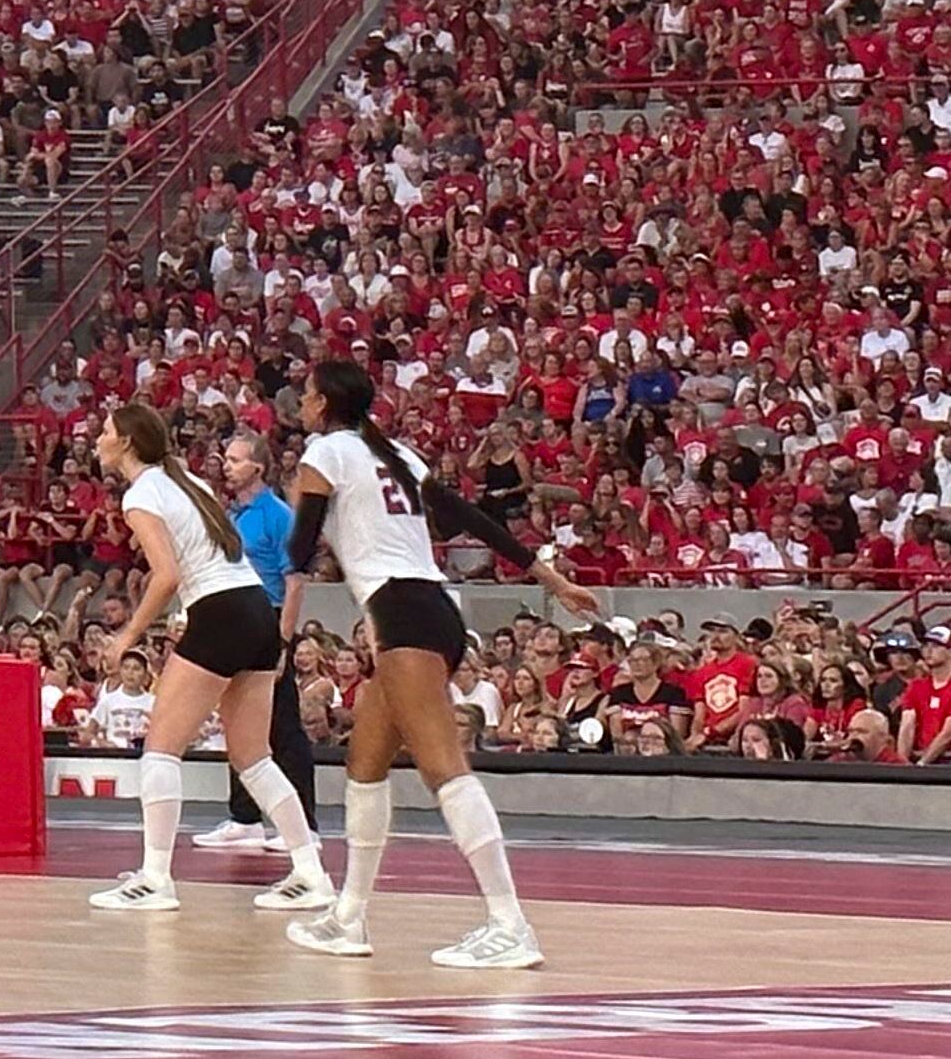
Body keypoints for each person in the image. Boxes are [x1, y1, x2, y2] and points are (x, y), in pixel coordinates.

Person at [286, 356, 599, 970]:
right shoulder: (395, 453)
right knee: (365, 763)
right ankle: (348, 916)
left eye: (305, 394)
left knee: (443, 768)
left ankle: (510, 922)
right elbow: (468, 517)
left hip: (400, 613)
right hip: (432, 610)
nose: (300, 402)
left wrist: (289, 529)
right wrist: (546, 574)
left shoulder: (326, 454)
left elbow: (299, 546)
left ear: (323, 403)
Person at [81, 405, 330, 915]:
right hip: (257, 607)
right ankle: (311, 873)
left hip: (217, 611)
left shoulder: (142, 493)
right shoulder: (187, 479)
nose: (98, 437)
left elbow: (167, 574)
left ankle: (154, 879)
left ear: (126, 442)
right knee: (255, 758)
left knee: (161, 749)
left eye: (106, 431)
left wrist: (128, 633)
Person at [207, 429, 322, 854]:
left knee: (282, 723)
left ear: (257, 466)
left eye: (236, 459)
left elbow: (295, 584)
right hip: (237, 615)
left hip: (269, 617)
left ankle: (305, 824)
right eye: (227, 459)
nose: (228, 466)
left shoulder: (278, 515)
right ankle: (244, 817)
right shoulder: (232, 514)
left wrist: (283, 642)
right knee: (237, 717)